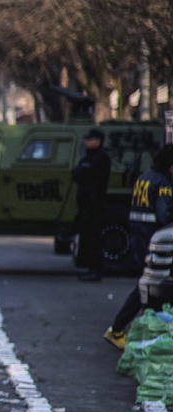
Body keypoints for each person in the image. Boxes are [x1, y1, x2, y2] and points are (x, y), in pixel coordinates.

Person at [104, 145, 173, 349]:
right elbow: (165, 216)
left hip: (140, 237)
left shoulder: (145, 177)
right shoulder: (163, 184)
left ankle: (124, 329)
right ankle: (121, 329)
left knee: (146, 286)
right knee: (151, 287)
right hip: (155, 241)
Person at [72, 128, 111, 283]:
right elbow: (76, 173)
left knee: (94, 238)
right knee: (86, 238)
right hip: (86, 204)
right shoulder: (88, 157)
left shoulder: (100, 158)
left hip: (95, 204)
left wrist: (83, 172)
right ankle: (90, 268)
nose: (86, 142)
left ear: (98, 141)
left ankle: (96, 270)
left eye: (90, 139)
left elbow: (86, 174)